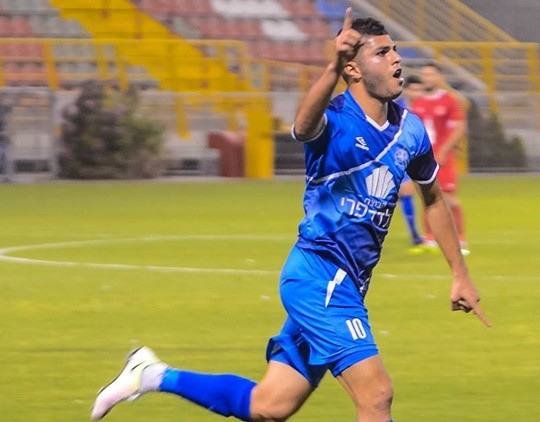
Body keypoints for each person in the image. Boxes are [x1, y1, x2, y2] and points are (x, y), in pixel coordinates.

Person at [90, 9, 489, 422]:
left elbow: (433, 199)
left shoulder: (411, 130)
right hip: (319, 277)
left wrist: (459, 273)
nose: (396, 59)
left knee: (269, 406)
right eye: (382, 53)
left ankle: (152, 374)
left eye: (395, 50)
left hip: (348, 283)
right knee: (376, 395)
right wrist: (331, 66)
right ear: (353, 68)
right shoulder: (335, 121)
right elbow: (302, 125)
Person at [412, 62, 469, 254]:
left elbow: (459, 127)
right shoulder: (418, 103)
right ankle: (430, 237)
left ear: (440, 77)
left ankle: (460, 238)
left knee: (450, 199)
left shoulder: (449, 100)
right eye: (424, 75)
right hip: (424, 158)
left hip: (444, 159)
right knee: (426, 196)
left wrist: (444, 150)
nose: (426, 78)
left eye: (430, 75)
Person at [395, 75, 426, 249]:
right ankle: (414, 233)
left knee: (407, 194)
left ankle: (415, 233)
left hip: (417, 154)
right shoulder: (397, 107)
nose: (416, 93)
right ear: (406, 90)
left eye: (419, 89)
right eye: (413, 89)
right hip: (398, 154)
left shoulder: (424, 107)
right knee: (405, 191)